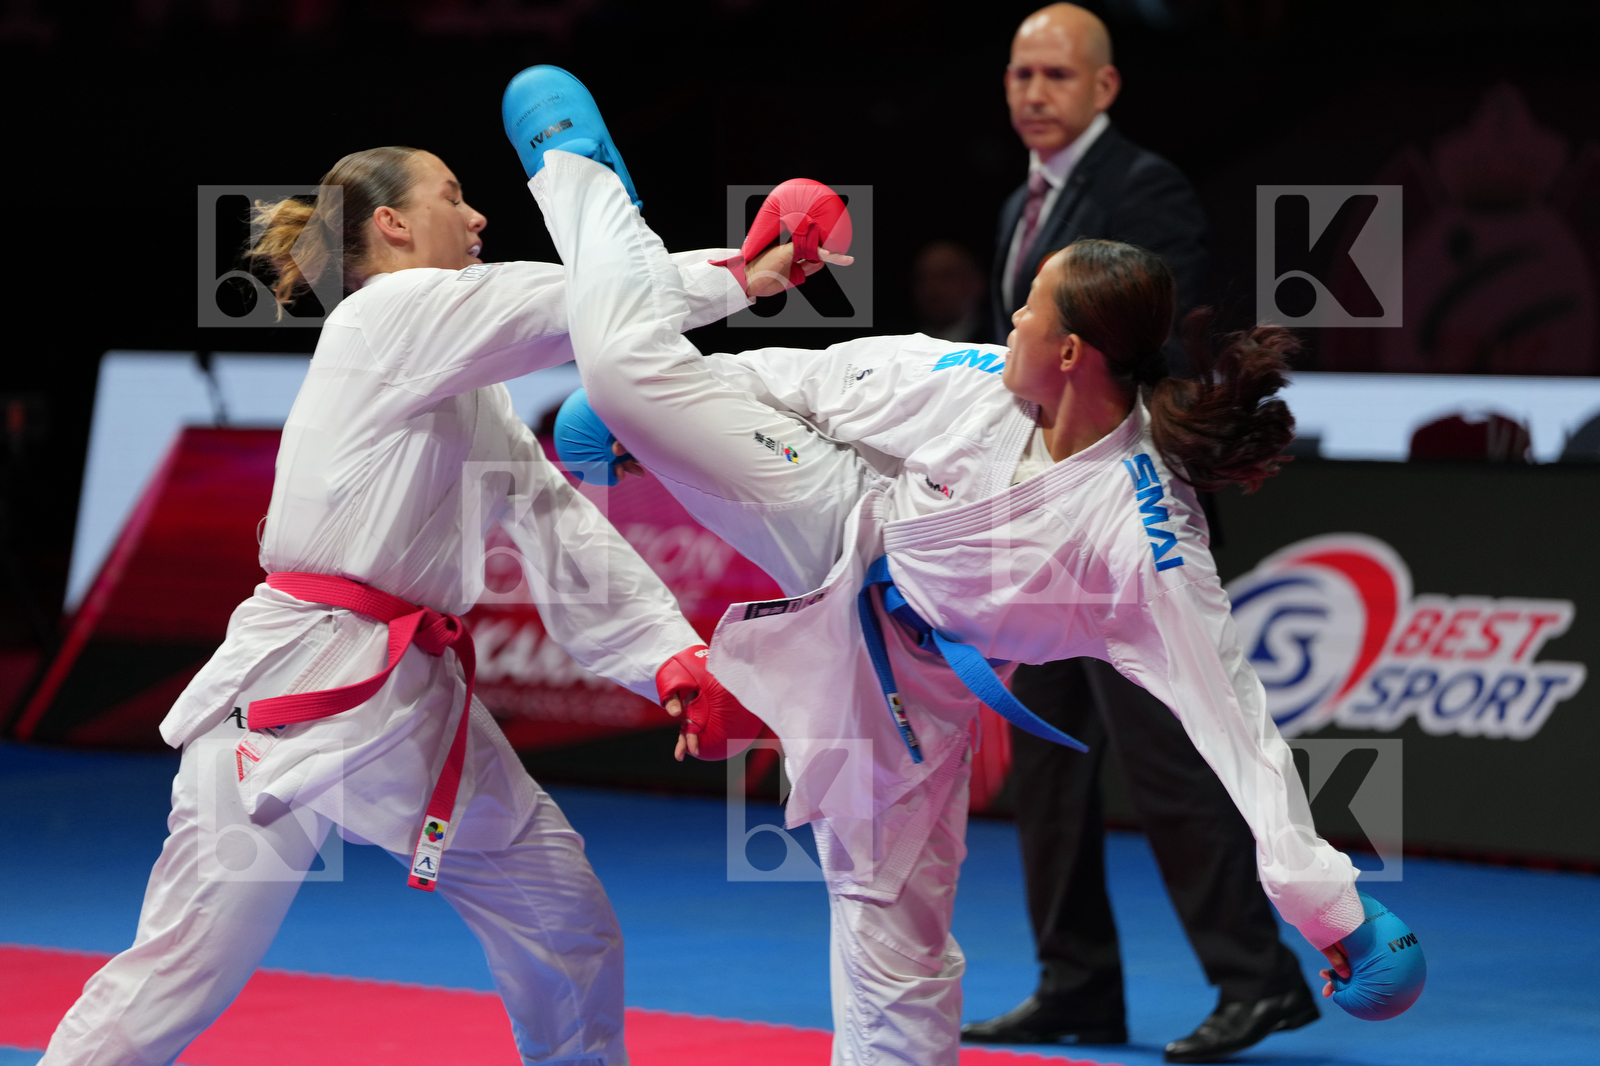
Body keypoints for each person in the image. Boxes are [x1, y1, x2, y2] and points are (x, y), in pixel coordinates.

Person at [511, 78, 1425, 1060]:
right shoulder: (978, 382)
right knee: (626, 371)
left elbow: (1237, 728)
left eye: (1030, 310)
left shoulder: (1144, 534)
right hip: (837, 518)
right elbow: (812, 378)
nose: (1011, 319)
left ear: (1070, 353)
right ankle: (579, 170)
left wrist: (1333, 913)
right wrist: (660, 420)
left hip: (920, 693)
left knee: (892, 934)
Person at [39, 144, 765, 1066]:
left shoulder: (473, 392)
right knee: (186, 966)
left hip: (410, 697)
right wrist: (746, 271)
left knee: (563, 920)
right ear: (391, 224)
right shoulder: (386, 316)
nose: (477, 217)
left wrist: (667, 654)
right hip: (296, 683)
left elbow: (555, 524)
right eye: (453, 197)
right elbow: (579, 302)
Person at [972, 7, 1316, 1060]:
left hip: (1128, 522)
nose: (1033, 92)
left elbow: (1149, 336)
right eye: (1020, 73)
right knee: (1046, 765)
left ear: (1104, 87)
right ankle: (1074, 983)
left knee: (1168, 761)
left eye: (1054, 74)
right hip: (1044, 528)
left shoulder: (1145, 189)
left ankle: (1259, 980)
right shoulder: (1018, 206)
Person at [912, 239, 987, 342]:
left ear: (975, 283)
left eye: (947, 277)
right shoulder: (901, 340)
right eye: (923, 278)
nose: (933, 288)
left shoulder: (997, 340)